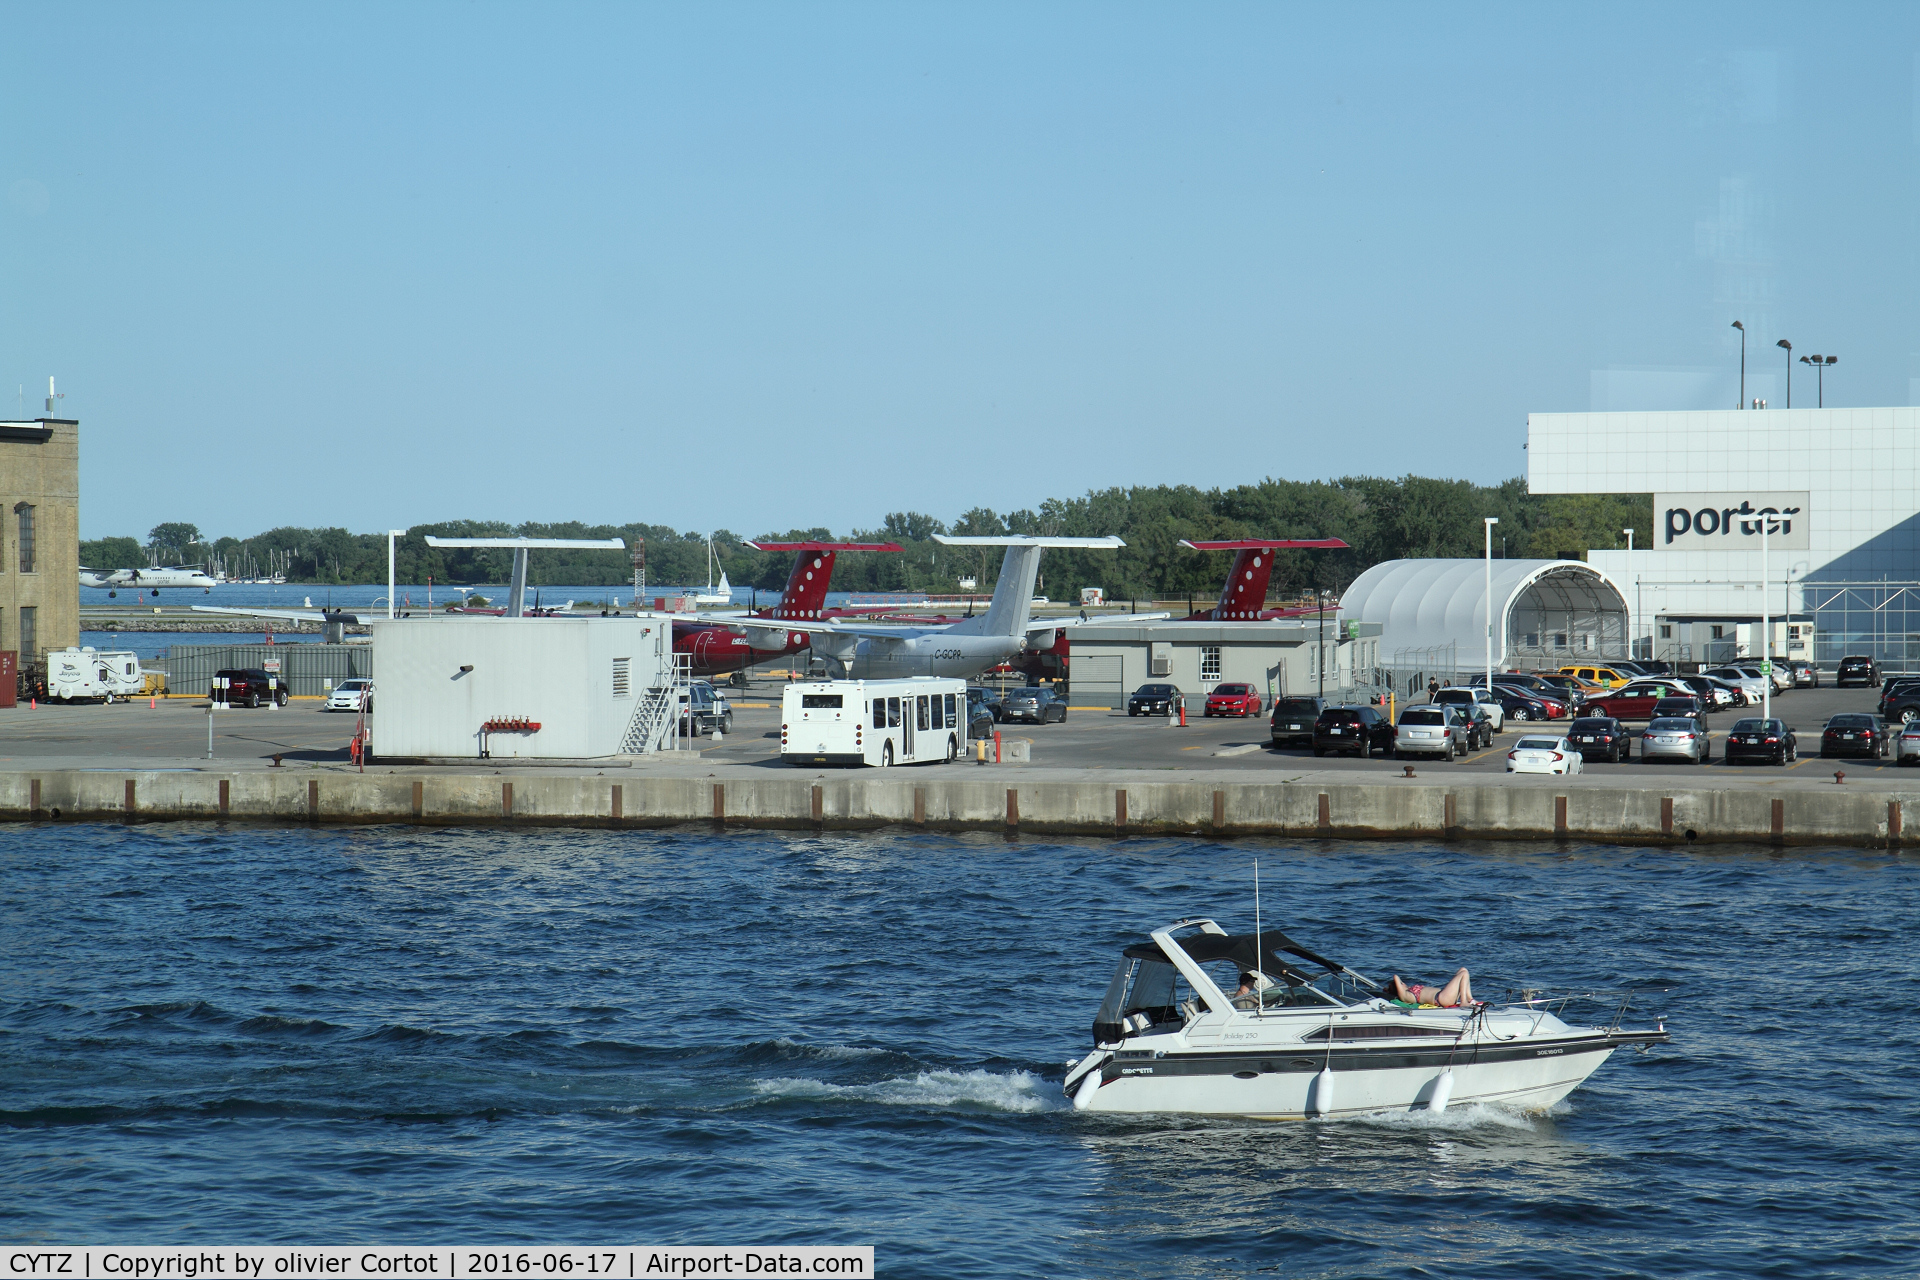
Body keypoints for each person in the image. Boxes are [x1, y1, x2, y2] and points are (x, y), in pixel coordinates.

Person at [1386, 968, 1476, 1007]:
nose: (1404, 983)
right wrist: (1398, 984)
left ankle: (1470, 999)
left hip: (1443, 995)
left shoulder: (1408, 991)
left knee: (1463, 970)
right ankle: (1463, 1001)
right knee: (1464, 974)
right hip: (1441, 999)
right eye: (1402, 983)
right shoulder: (1405, 995)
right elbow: (1395, 976)